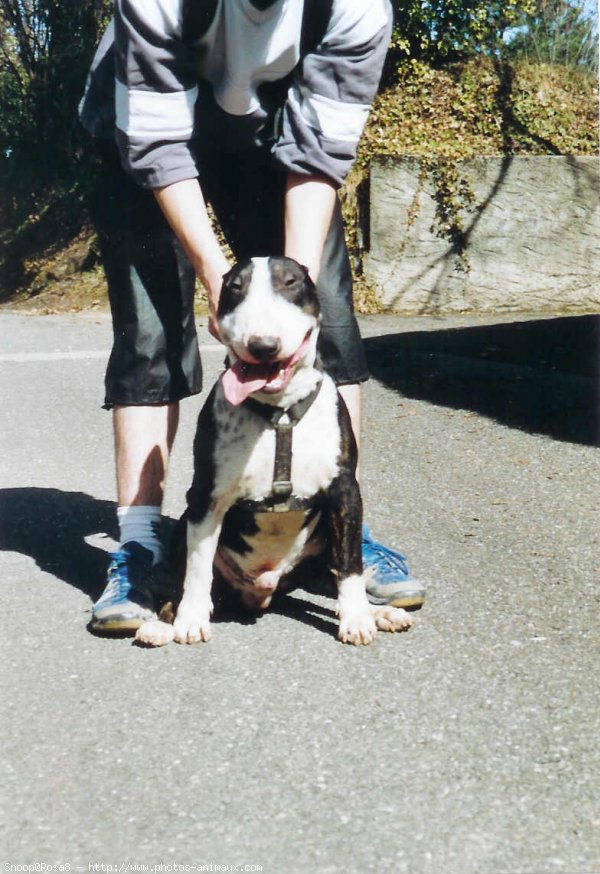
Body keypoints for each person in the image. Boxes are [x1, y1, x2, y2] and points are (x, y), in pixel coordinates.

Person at [79, 0, 426, 634]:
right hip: (141, 129)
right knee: (151, 333)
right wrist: (221, 283)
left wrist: (291, 295)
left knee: (326, 318)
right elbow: (157, 141)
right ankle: (140, 546)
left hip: (276, 134)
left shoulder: (357, 8)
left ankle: (333, 526)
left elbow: (319, 151)